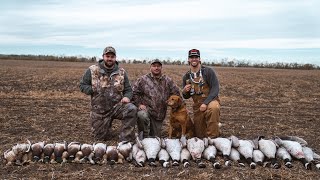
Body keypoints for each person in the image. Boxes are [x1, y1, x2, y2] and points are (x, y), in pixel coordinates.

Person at [79, 46, 137, 142]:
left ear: (115, 58)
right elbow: (82, 85)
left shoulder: (122, 72)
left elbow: (128, 89)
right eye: (107, 56)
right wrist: (92, 89)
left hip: (117, 107)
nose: (110, 59)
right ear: (103, 56)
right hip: (100, 110)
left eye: (112, 57)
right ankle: (106, 125)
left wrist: (127, 97)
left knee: (131, 109)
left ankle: (125, 138)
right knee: (99, 138)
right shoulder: (92, 70)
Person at [132, 59, 180, 138]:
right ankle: (143, 136)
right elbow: (134, 93)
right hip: (146, 110)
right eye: (154, 66)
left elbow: (176, 94)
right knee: (142, 115)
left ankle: (151, 135)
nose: (156, 68)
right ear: (150, 67)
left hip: (159, 114)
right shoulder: (143, 79)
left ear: (161, 68)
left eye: (158, 66)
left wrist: (172, 103)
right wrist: (139, 104)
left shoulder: (168, 80)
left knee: (155, 137)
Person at [182, 49, 221, 138]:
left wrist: (205, 103)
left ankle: (213, 139)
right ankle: (214, 130)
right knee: (199, 134)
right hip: (197, 106)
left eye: (196, 57)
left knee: (213, 108)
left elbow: (215, 89)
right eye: (192, 57)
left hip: (211, 100)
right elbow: (186, 96)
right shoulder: (187, 76)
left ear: (199, 59)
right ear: (188, 60)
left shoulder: (208, 71)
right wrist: (184, 91)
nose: (194, 59)